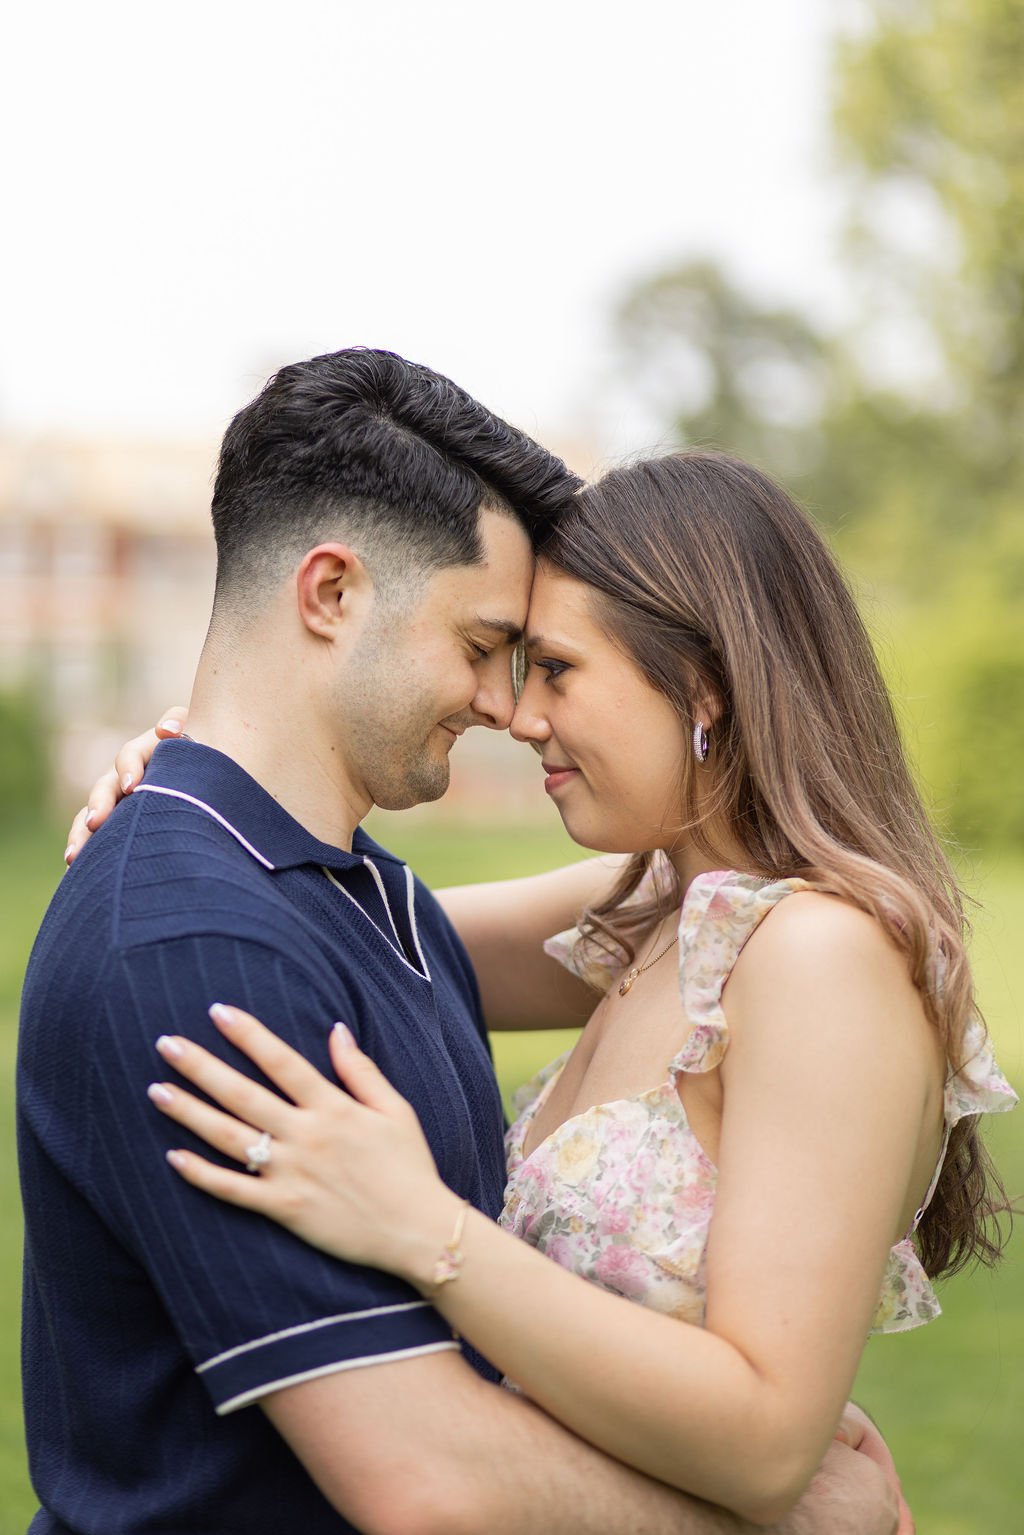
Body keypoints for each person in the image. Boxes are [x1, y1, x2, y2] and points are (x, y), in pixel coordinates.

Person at [21, 353, 896, 1535]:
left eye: (547, 666)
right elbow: (427, 1481)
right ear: (329, 594)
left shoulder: (377, 901)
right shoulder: (205, 943)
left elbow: (735, 876)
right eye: (489, 644)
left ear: (701, 685)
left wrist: (191, 760)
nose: (509, 706)